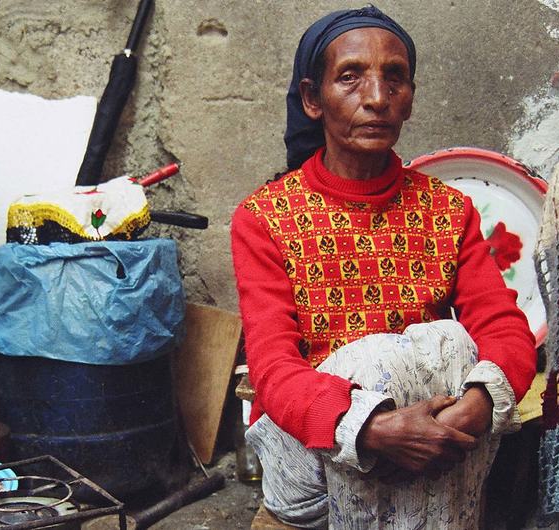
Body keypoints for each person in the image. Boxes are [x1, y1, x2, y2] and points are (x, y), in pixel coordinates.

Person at [230, 5, 536, 528]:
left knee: (458, 346)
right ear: (311, 99)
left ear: (411, 98)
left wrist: (482, 402)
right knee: (376, 362)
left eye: (394, 78)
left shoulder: (447, 209)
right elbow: (273, 366)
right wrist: (369, 428)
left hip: (433, 440)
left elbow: (503, 326)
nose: (376, 98)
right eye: (350, 77)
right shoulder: (264, 218)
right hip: (313, 461)